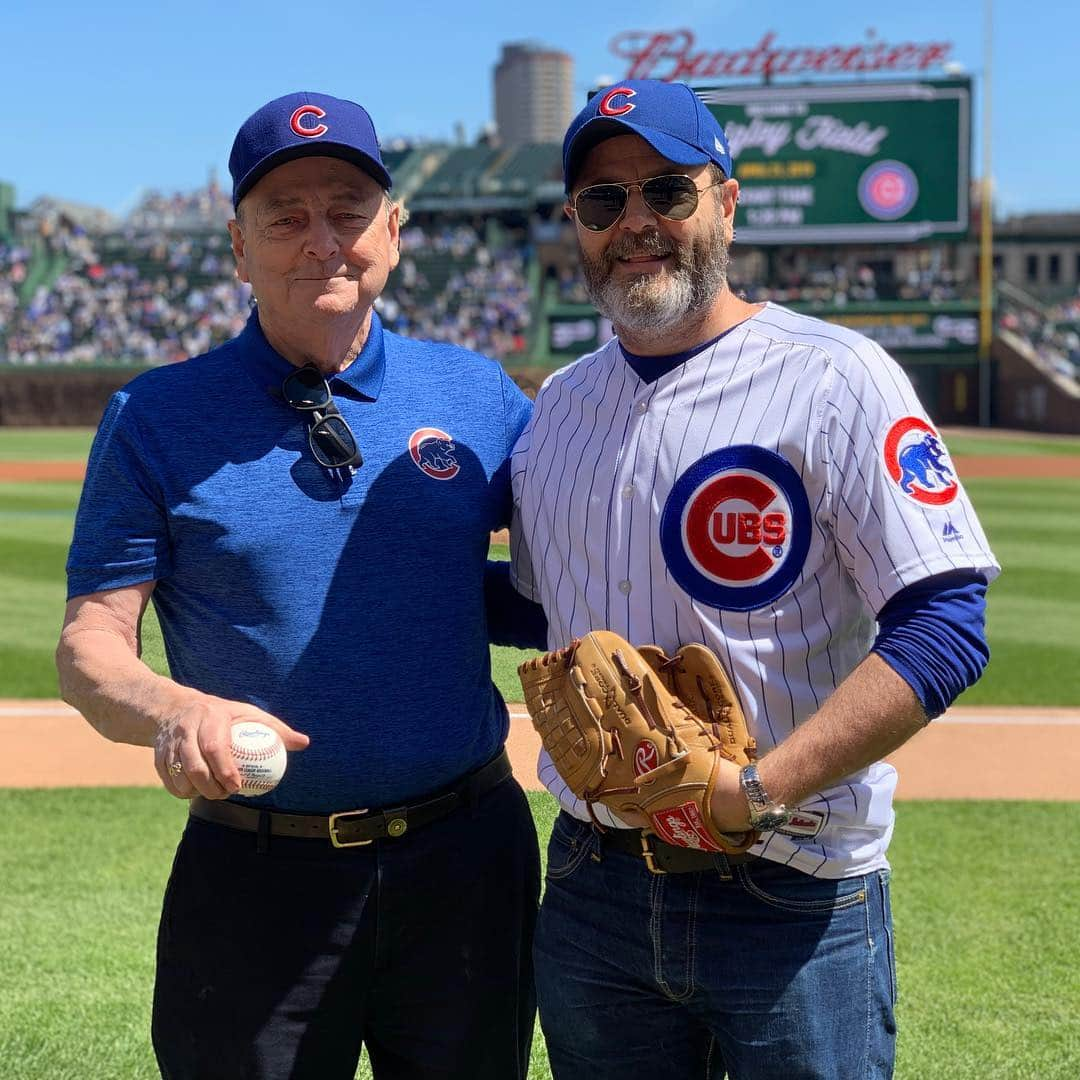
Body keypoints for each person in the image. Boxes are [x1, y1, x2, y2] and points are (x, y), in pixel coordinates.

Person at [509, 79, 1000, 1079]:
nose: (635, 222)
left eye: (666, 191)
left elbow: (945, 617)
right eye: (603, 202)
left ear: (724, 202)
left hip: (792, 886)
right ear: (576, 226)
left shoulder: (835, 377)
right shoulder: (556, 406)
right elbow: (535, 606)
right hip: (595, 883)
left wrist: (757, 791)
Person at [57, 91, 544, 1080]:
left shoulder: (481, 398)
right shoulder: (153, 418)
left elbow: (546, 586)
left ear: (394, 233)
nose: (322, 238)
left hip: (469, 861)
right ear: (239, 247)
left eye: (348, 209)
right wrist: (174, 708)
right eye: (285, 215)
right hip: (255, 874)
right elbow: (88, 647)